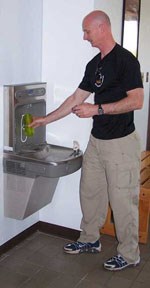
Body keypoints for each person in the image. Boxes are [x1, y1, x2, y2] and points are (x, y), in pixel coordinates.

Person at [30, 10, 144, 271]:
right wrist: (44, 120)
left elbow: (137, 101)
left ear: (102, 28)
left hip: (121, 143)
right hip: (97, 141)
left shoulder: (126, 61)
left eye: (87, 31)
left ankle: (129, 254)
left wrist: (98, 109)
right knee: (90, 193)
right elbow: (75, 99)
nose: (84, 36)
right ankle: (90, 239)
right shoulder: (95, 65)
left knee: (122, 200)